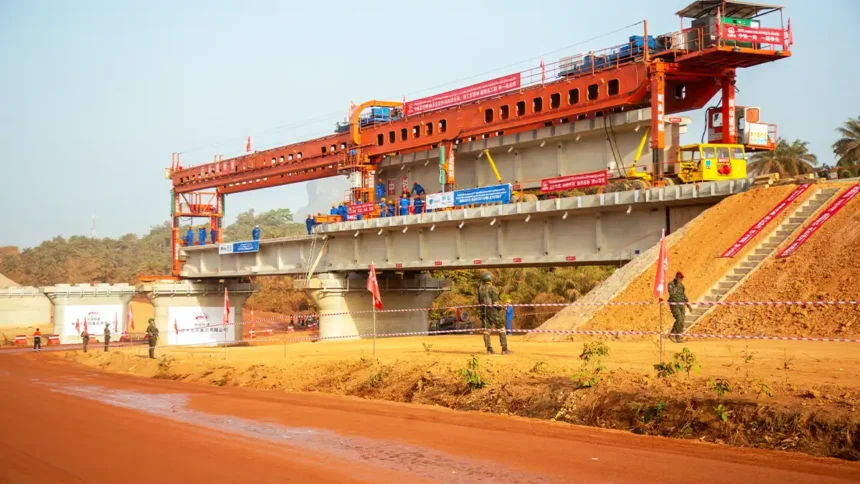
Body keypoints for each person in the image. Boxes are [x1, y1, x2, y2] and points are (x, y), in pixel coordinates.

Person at [477, 272, 509, 355]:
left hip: (483, 311)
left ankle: (489, 349)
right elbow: (495, 302)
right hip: (492, 311)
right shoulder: (492, 288)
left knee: (486, 330)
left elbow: (480, 302)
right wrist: (501, 307)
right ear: (490, 279)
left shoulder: (480, 289)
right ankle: (504, 349)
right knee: (501, 328)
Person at [668, 272, 693, 343]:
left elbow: (683, 295)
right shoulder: (671, 284)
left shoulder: (681, 286)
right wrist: (676, 284)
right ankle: (672, 334)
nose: (681, 280)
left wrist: (688, 305)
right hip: (674, 304)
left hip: (681, 305)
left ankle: (678, 337)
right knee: (679, 318)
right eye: (680, 278)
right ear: (676, 277)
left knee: (682, 320)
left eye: (681, 279)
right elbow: (672, 294)